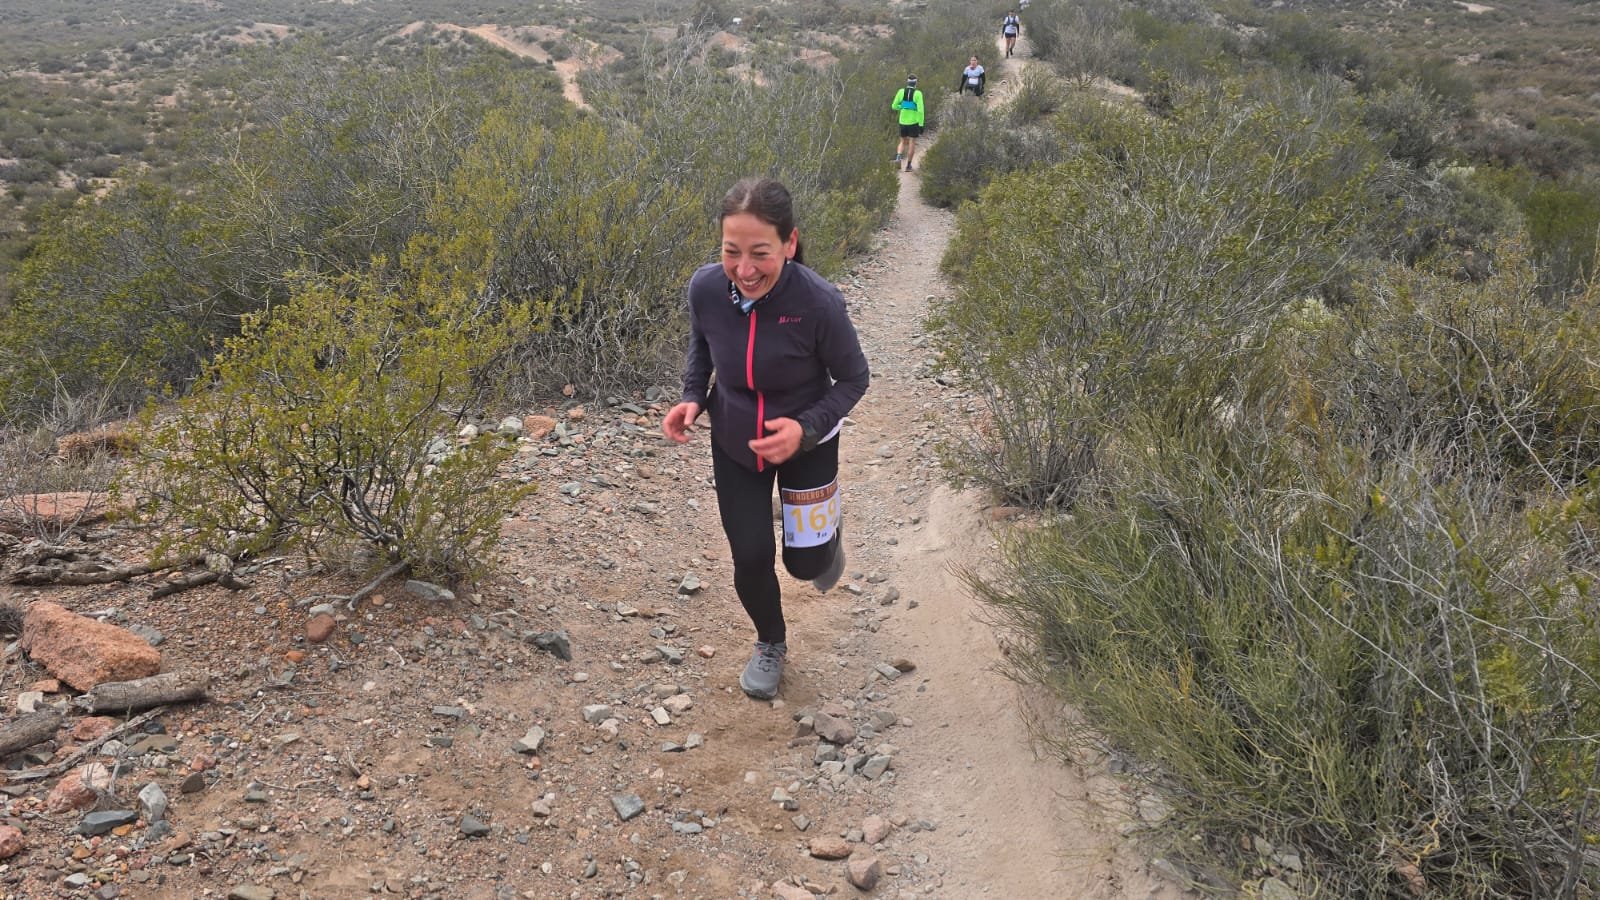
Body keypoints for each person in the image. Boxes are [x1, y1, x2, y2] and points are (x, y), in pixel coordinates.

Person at [662, 178, 870, 701]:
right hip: (736, 440)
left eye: (760, 253)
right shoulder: (705, 288)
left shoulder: (819, 302)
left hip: (808, 442)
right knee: (751, 555)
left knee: (807, 565)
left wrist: (805, 428)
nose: (745, 269)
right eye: (731, 251)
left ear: (789, 243)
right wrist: (693, 396)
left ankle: (825, 541)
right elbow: (701, 345)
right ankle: (771, 642)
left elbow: (854, 379)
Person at [891, 74, 925, 172]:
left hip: (902, 121)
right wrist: (921, 124)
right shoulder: (918, 94)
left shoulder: (901, 91)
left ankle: (898, 158)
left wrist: (902, 107)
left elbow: (894, 106)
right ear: (916, 83)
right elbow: (921, 110)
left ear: (907, 82)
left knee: (902, 142)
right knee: (912, 142)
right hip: (913, 122)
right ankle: (908, 166)